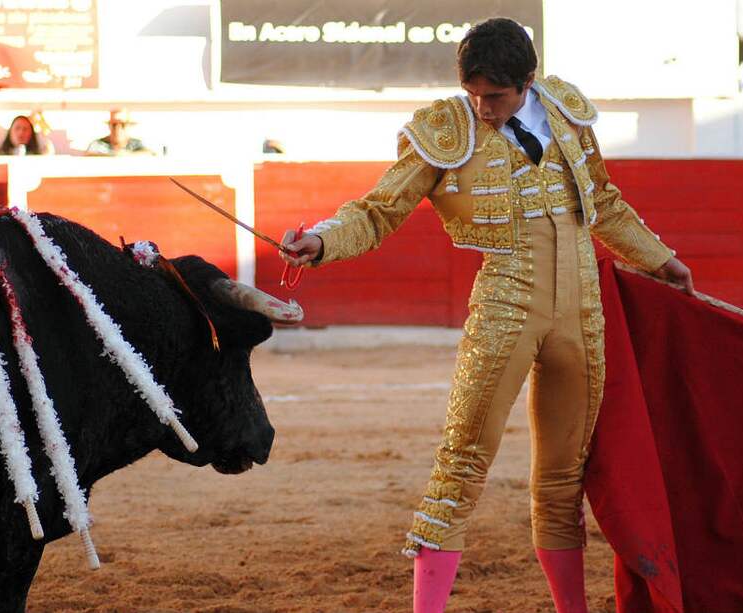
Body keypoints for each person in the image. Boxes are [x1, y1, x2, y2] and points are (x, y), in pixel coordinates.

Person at [280, 18, 694, 613]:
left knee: (562, 482)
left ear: (528, 81)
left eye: (495, 97)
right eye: (474, 95)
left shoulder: (568, 115)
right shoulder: (447, 129)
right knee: (460, 467)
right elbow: (377, 211)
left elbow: (602, 203)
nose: (483, 108)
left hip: (581, 316)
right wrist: (320, 241)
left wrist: (661, 260)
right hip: (506, 307)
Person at [85, 108, 156, 156]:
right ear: (109, 126)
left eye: (123, 125)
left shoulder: (136, 143)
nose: (118, 128)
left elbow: (150, 154)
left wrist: (126, 155)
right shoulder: (98, 144)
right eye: (114, 125)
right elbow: (89, 155)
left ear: (129, 126)